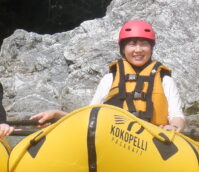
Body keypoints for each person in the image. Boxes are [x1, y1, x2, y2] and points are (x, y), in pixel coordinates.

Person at [30, 20, 186, 132]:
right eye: (132, 44)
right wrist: (58, 116)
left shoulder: (164, 79)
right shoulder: (110, 78)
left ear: (151, 49)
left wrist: (175, 127)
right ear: (123, 49)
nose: (138, 50)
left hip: (153, 139)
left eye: (144, 44)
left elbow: (176, 115)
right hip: (116, 138)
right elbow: (90, 115)